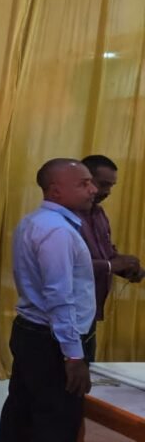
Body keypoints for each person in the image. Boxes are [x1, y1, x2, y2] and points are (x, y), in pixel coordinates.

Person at [0, 158, 96, 442]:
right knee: (55, 427)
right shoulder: (57, 231)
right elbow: (59, 297)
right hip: (53, 340)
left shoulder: (36, 222)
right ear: (56, 190)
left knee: (21, 412)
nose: (93, 190)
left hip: (33, 332)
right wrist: (73, 355)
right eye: (83, 183)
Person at [78, 154, 143, 361]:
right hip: (64, 314)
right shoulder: (61, 219)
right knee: (62, 377)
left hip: (89, 312)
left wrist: (127, 267)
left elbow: (107, 254)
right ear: (83, 181)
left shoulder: (98, 214)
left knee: (84, 374)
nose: (107, 192)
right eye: (103, 184)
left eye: (111, 186)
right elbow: (66, 266)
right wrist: (110, 265)